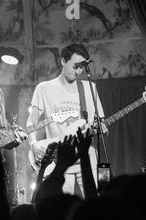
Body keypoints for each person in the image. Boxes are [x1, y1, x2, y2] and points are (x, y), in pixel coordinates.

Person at [26, 43, 108, 196]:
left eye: (81, 67)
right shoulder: (44, 88)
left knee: (93, 206)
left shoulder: (89, 88)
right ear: (63, 61)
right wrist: (33, 144)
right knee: (59, 211)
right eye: (75, 66)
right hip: (59, 161)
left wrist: (102, 127)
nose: (78, 71)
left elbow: (99, 123)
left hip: (86, 159)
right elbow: (31, 122)